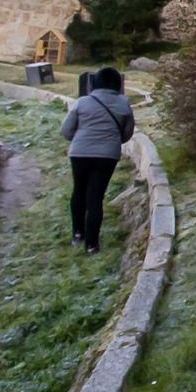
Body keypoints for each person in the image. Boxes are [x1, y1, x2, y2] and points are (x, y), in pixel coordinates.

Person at [60, 66, 135, 253]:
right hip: (107, 155)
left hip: (80, 152)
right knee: (95, 197)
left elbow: (66, 131)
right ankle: (92, 245)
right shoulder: (124, 105)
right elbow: (127, 134)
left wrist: (81, 139)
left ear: (94, 83)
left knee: (79, 191)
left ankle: (78, 234)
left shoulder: (82, 102)